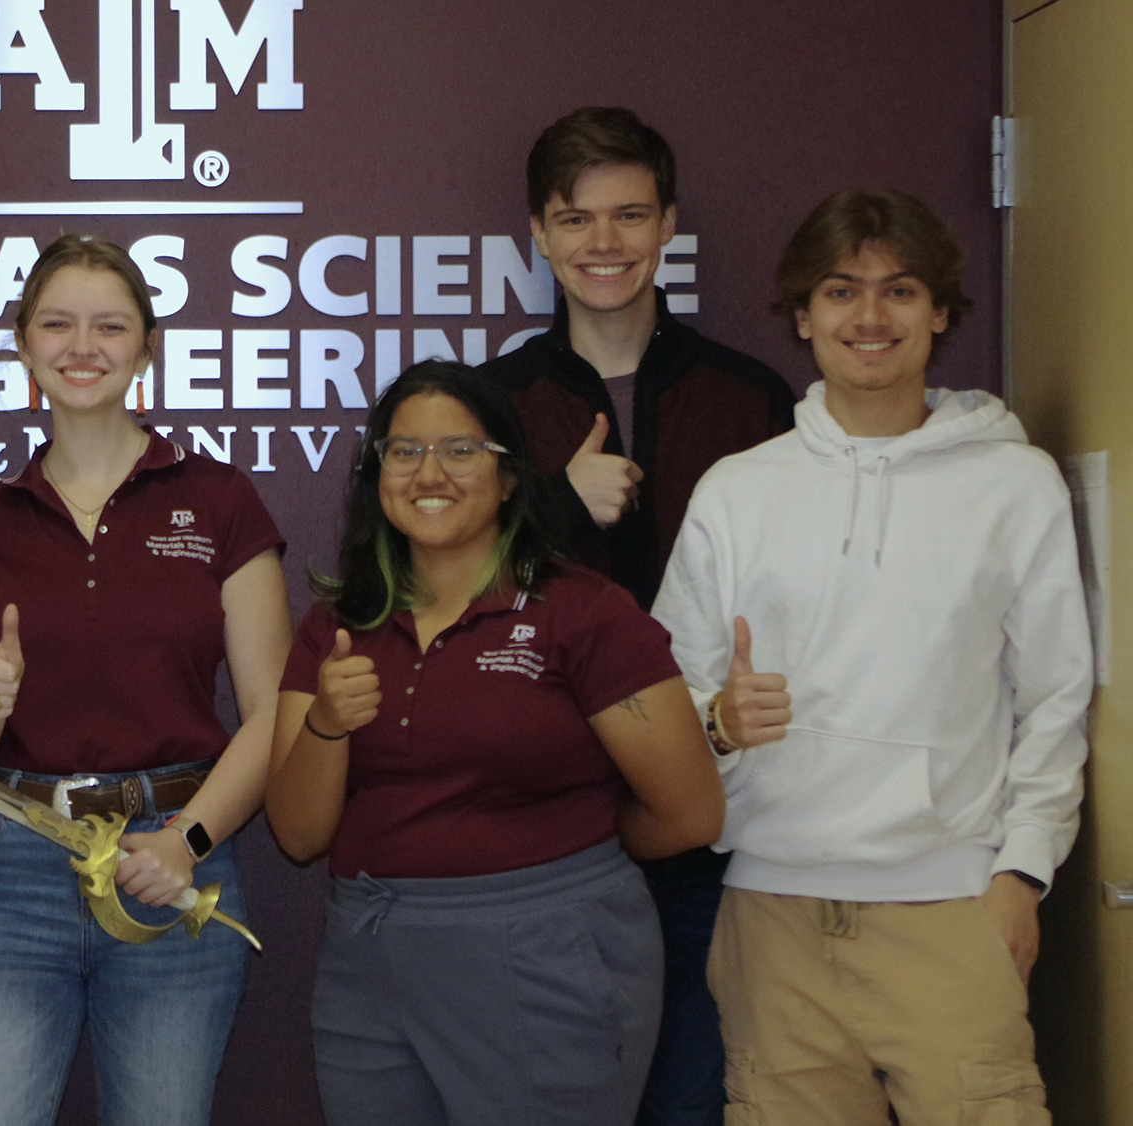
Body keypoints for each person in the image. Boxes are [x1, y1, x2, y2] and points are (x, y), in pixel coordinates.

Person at [651, 189, 1089, 1125]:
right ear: (804, 316)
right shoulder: (739, 491)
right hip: (771, 919)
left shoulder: (1015, 483)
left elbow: (1056, 700)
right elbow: (664, 699)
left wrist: (1022, 876)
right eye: (842, 292)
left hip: (952, 911)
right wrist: (718, 722)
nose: (871, 317)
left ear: (939, 311)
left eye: (899, 291)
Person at [266, 360, 724, 1126]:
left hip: (548, 957)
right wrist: (327, 725)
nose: (429, 472)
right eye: (403, 451)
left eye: (460, 450)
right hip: (370, 956)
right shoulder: (339, 626)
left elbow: (690, 813)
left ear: (510, 478)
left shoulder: (582, 613)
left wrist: (574, 869)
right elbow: (299, 834)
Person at [0, 234, 292, 1126]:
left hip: (172, 863)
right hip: (11, 864)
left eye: (109, 326)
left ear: (146, 347)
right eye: (57, 323)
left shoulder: (220, 499)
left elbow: (274, 710)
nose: (81, 346)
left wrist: (188, 844)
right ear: (22, 345)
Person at [477, 106, 796, 1126]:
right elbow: (432, 601)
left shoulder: (747, 399)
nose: (602, 244)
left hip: (716, 826)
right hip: (543, 830)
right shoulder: (487, 407)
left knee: (689, 1103)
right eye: (575, 219)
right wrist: (552, 503)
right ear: (537, 231)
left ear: (667, 226)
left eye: (628, 216)